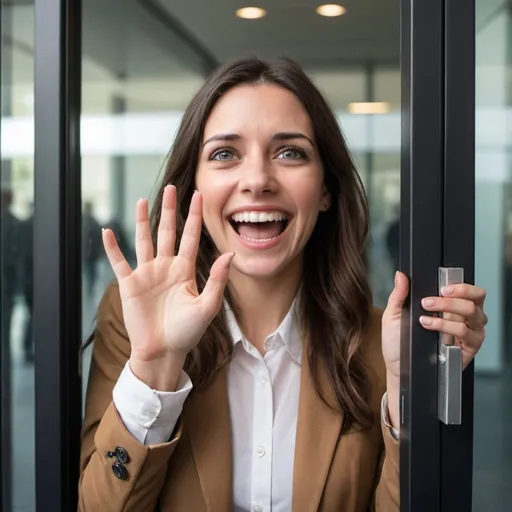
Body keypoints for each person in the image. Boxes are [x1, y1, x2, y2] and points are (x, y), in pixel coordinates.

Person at [79, 57, 487, 511]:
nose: (257, 181)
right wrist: (155, 367)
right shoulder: (135, 320)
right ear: (194, 184)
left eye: (290, 152)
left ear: (326, 189)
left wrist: (409, 388)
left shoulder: (384, 343)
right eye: (224, 154)